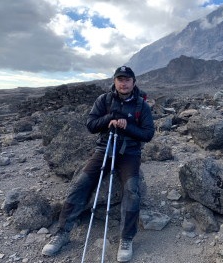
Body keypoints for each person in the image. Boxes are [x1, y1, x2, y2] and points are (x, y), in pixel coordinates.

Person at [42, 66, 155, 262]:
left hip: (129, 153)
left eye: (127, 79)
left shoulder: (141, 105)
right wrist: (110, 119)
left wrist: (128, 127)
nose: (123, 83)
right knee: (80, 184)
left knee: (131, 189)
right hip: (104, 149)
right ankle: (62, 232)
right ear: (114, 82)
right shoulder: (104, 100)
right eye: (120, 79)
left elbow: (148, 134)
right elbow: (91, 125)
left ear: (134, 82)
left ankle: (126, 238)